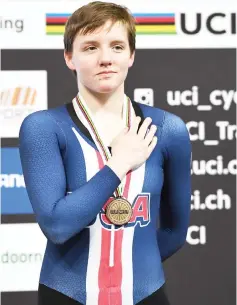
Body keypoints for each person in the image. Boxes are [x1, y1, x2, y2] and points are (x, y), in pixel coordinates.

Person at [19, 1, 191, 305]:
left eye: (116, 46)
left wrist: (135, 267)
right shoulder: (44, 128)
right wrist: (119, 163)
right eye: (90, 48)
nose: (105, 59)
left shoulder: (167, 129)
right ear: (69, 58)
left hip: (145, 295)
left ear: (131, 55)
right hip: (66, 294)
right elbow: (57, 226)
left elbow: (176, 232)